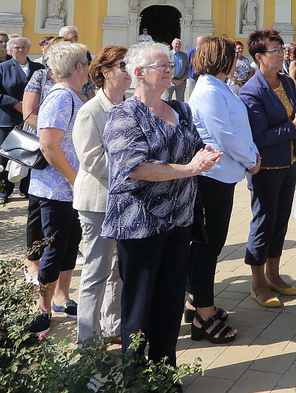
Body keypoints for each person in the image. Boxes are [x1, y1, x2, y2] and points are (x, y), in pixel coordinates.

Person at [102, 41, 222, 365]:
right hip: (140, 223)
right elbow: (135, 167)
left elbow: (195, 147)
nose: (170, 70)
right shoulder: (123, 114)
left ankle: (164, 371)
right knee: (140, 307)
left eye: (170, 65)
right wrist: (190, 169)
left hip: (179, 222)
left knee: (170, 304)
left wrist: (206, 156)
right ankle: (136, 376)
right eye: (162, 66)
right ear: (139, 73)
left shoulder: (181, 110)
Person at [186, 36, 259, 345]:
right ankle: (203, 313)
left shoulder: (219, 86)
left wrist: (249, 153)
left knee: (211, 244)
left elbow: (237, 130)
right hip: (211, 177)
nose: (236, 61)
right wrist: (250, 157)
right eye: (232, 56)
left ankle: (198, 301)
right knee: (207, 245)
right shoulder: (209, 91)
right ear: (222, 59)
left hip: (223, 175)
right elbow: (225, 134)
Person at [240, 29, 296, 307]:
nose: (282, 55)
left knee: (280, 221)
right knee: (263, 223)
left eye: (283, 50)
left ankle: (274, 275)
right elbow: (258, 137)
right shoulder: (251, 91)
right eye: (276, 52)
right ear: (259, 57)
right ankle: (257, 282)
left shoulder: (285, 81)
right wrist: (291, 127)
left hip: (288, 161)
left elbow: (291, 111)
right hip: (265, 168)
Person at [26, 40, 90, 336]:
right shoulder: (61, 97)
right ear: (79, 67)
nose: (89, 68)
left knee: (69, 244)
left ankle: (62, 297)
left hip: (70, 189)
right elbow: (48, 144)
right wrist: (73, 178)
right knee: (54, 248)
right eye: (87, 63)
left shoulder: (72, 94)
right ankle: (42, 308)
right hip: (57, 188)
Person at [71, 45, 128, 345]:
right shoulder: (90, 111)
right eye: (122, 65)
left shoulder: (128, 106)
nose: (129, 70)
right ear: (105, 72)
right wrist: (134, 169)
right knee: (96, 270)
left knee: (117, 268)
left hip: (123, 201)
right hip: (97, 201)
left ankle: (113, 325)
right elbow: (92, 160)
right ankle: (87, 338)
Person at [0, 36, 42, 203]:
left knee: (29, 153)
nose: (20, 50)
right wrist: (16, 104)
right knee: (5, 155)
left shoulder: (38, 68)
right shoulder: (2, 68)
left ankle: (27, 189)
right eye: (17, 47)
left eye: (24, 47)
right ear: (10, 51)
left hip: (31, 118)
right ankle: (2, 191)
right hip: (8, 117)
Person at [167, 38, 190, 102]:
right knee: (166, 101)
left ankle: (180, 112)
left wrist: (182, 79)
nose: (178, 45)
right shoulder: (167, 55)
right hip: (169, 82)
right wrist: (173, 79)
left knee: (180, 102)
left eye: (179, 44)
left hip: (181, 83)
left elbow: (188, 68)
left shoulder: (184, 55)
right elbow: (164, 69)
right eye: (176, 44)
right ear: (172, 44)